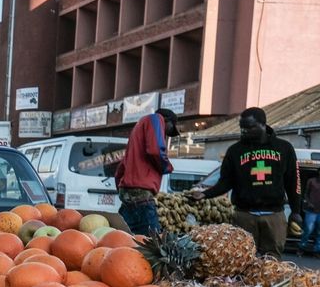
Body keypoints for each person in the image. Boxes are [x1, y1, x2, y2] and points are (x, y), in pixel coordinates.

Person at [193, 107, 299, 256]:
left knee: (272, 260)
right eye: (242, 128)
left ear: (263, 124)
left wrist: (296, 211)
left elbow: (293, 181)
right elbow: (225, 182)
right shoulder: (235, 151)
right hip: (244, 215)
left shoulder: (284, 148)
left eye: (249, 127)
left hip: (274, 214)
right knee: (243, 257)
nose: (244, 131)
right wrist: (205, 194)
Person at [115, 108, 179, 236]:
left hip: (128, 192)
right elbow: (155, 150)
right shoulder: (155, 119)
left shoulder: (138, 128)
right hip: (141, 193)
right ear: (167, 121)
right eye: (170, 130)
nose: (165, 135)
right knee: (152, 242)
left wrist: (122, 187)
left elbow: (121, 167)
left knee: (125, 237)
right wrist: (166, 167)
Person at [300, 174, 320, 256]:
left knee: (319, 232)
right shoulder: (311, 181)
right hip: (311, 210)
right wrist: (309, 203)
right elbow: (305, 194)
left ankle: (317, 250)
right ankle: (302, 247)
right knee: (308, 229)